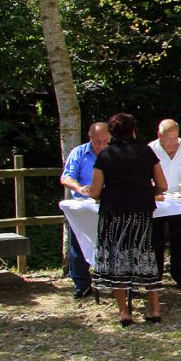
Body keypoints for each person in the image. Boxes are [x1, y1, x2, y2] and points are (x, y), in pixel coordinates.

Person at [87, 113, 168, 326]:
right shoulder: (147, 152)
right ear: (134, 130)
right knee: (144, 256)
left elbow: (95, 191)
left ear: (112, 132)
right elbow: (163, 185)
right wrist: (146, 190)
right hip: (140, 211)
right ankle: (154, 309)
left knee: (117, 260)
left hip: (114, 212)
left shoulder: (106, 156)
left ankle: (125, 312)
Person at [148, 119, 181, 288]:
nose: (173, 142)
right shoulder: (150, 149)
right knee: (155, 239)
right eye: (169, 138)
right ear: (160, 135)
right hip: (157, 199)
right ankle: (154, 276)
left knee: (180, 238)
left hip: (180, 200)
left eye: (175, 138)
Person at [60, 121, 110, 299]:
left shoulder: (114, 153)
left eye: (106, 141)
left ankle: (117, 281)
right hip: (84, 206)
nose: (102, 145)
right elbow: (66, 177)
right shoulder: (79, 153)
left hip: (109, 205)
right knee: (79, 244)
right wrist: (80, 188)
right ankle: (81, 284)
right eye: (98, 141)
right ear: (90, 138)